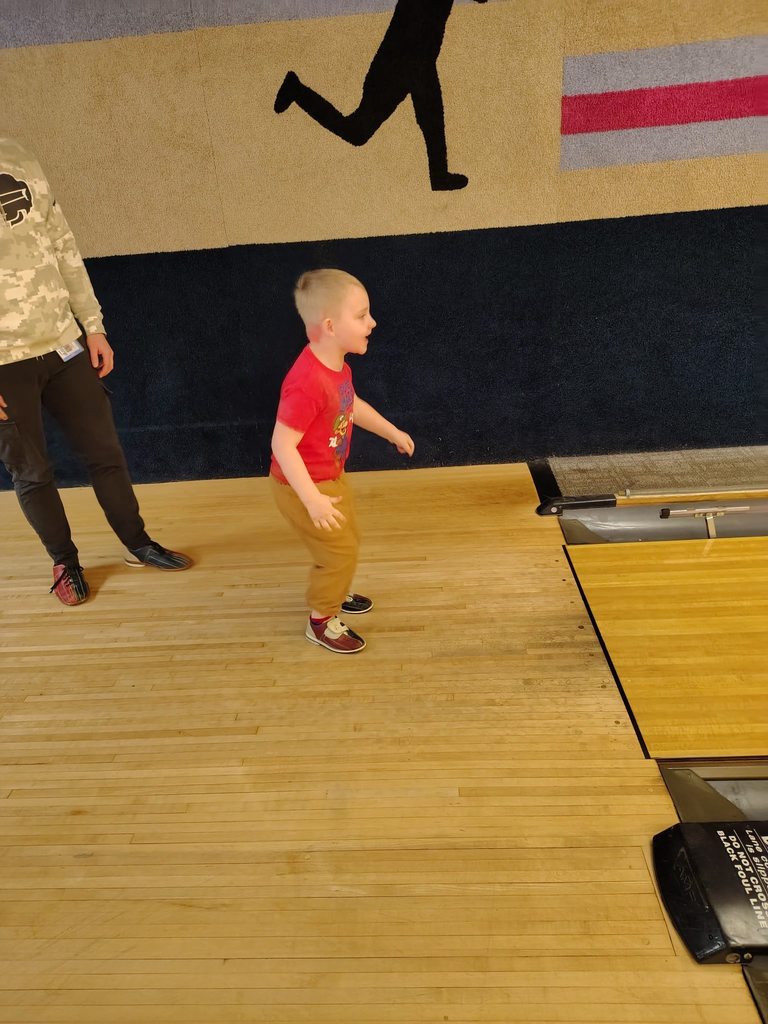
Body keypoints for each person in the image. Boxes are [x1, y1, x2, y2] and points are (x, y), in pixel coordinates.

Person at [0, 137, 192, 606]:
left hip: (63, 342)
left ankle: (138, 542)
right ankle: (65, 562)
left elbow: (63, 245)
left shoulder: (19, 155)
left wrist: (93, 326)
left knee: (105, 452)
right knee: (33, 472)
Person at [270, 269, 414, 653]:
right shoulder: (307, 382)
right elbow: (282, 446)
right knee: (337, 552)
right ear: (331, 326)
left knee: (348, 540)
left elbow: (350, 406)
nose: (372, 322)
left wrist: (391, 431)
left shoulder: (337, 368)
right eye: (362, 315)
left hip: (330, 475)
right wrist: (312, 500)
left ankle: (336, 589)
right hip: (302, 485)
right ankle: (321, 619)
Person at [274, 0, 489, 191]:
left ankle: (439, 175)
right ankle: (439, 175)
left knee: (364, 131)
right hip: (403, 61)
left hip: (408, 60)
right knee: (363, 131)